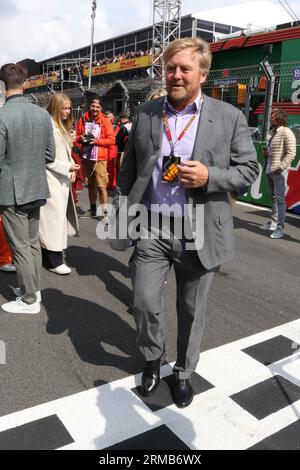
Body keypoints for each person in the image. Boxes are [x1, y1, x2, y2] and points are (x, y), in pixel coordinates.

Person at [110, 37, 259, 408]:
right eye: (170, 67)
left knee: (191, 310)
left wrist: (211, 176)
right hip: (152, 226)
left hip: (200, 227)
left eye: (184, 69)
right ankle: (152, 357)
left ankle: (183, 372)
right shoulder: (146, 113)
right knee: (144, 301)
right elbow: (127, 172)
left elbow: (249, 170)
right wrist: (119, 216)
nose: (175, 75)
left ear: (202, 74)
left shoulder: (229, 117)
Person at [0, 63, 55, 314]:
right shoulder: (42, 114)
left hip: (12, 191)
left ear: (3, 86)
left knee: (20, 245)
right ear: (25, 83)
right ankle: (33, 289)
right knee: (32, 242)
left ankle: (30, 299)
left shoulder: (2, 116)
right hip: (36, 186)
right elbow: (50, 154)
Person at [39, 93, 79, 275]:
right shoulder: (49, 126)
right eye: (64, 108)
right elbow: (47, 158)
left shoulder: (59, 125)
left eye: (69, 108)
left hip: (60, 179)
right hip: (51, 179)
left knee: (55, 220)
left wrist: (69, 167)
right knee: (52, 221)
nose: (68, 111)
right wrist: (68, 166)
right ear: (56, 107)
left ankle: (51, 258)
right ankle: (54, 260)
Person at [260, 108, 296, 239]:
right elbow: (275, 152)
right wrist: (267, 154)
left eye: (273, 117)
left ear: (279, 118)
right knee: (274, 198)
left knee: (280, 200)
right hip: (269, 169)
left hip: (278, 172)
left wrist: (281, 167)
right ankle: (274, 222)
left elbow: (291, 153)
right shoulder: (272, 132)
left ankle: (280, 228)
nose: (270, 118)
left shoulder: (287, 132)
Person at [76, 97, 115, 218]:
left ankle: (105, 213)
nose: (95, 109)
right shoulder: (83, 119)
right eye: (93, 106)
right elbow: (77, 136)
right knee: (91, 186)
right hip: (86, 157)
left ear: (101, 109)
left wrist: (97, 141)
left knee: (101, 187)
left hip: (99, 159)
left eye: (97, 107)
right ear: (89, 106)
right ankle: (92, 209)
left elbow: (111, 140)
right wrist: (80, 139)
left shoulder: (105, 121)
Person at [104, 110, 120, 191]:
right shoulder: (103, 126)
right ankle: (106, 182)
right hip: (104, 148)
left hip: (112, 148)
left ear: (112, 119)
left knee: (111, 166)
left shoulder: (115, 127)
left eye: (109, 117)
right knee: (105, 166)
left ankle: (112, 184)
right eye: (106, 117)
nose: (107, 118)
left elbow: (114, 137)